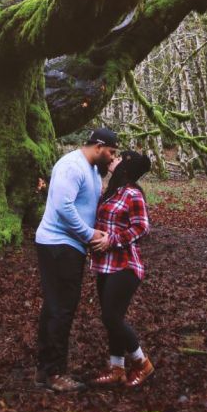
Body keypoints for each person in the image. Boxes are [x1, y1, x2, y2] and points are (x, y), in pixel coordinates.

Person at [34, 126, 119, 393]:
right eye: (111, 152)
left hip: (70, 246)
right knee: (62, 309)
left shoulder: (92, 170)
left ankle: (45, 368)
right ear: (99, 146)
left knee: (55, 307)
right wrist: (89, 234)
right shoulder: (72, 166)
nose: (112, 157)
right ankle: (54, 373)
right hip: (58, 245)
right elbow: (63, 207)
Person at [89, 149, 154, 388]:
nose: (113, 159)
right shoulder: (112, 192)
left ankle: (142, 364)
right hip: (105, 264)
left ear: (125, 168)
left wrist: (111, 240)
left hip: (126, 264)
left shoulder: (132, 194)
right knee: (111, 318)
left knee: (111, 316)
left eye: (118, 159)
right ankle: (117, 368)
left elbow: (142, 228)